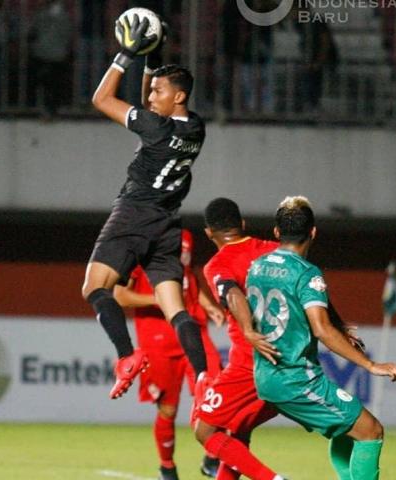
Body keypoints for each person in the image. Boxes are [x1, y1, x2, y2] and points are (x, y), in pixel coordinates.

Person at [81, 14, 210, 401]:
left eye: (157, 92)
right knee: (177, 310)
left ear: (178, 97)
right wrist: (153, 59)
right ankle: (204, 379)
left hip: (134, 213)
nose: (150, 97)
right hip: (168, 224)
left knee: (94, 287)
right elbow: (147, 106)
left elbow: (102, 100)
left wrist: (125, 55)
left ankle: (125, 357)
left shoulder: (156, 130)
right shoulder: (195, 128)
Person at [245, 196, 396, 480]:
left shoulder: (256, 266)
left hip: (266, 374)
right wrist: (370, 365)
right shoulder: (307, 273)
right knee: (371, 432)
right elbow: (321, 329)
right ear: (314, 232)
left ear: (276, 232)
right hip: (295, 379)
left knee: (347, 431)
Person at [189, 197, 288, 480]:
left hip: (250, 364)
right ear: (243, 224)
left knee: (204, 429)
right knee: (238, 431)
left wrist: (248, 329)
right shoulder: (276, 250)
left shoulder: (217, 264)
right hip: (289, 362)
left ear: (209, 233)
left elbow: (231, 292)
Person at [115, 229, 224, 480]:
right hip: (157, 338)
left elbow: (189, 277)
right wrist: (159, 299)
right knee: (167, 409)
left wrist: (207, 306)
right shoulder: (139, 242)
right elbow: (120, 295)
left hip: (192, 330)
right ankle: (167, 467)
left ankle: (212, 457)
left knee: (216, 391)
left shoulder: (184, 235)